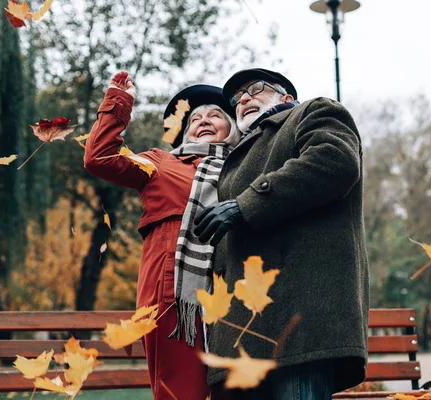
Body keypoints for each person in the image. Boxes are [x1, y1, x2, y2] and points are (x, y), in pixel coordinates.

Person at [194, 68, 369, 399]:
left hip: (297, 327)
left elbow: (335, 161)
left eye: (255, 89)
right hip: (241, 339)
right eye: (236, 98)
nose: (243, 99)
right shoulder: (237, 155)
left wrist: (243, 205)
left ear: (286, 97)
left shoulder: (314, 111)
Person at [83, 71, 239, 400]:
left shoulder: (249, 166)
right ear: (183, 130)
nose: (204, 120)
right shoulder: (161, 163)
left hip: (238, 291)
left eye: (215, 114)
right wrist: (117, 103)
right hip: (175, 296)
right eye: (195, 117)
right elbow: (100, 158)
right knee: (181, 392)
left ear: (234, 127)